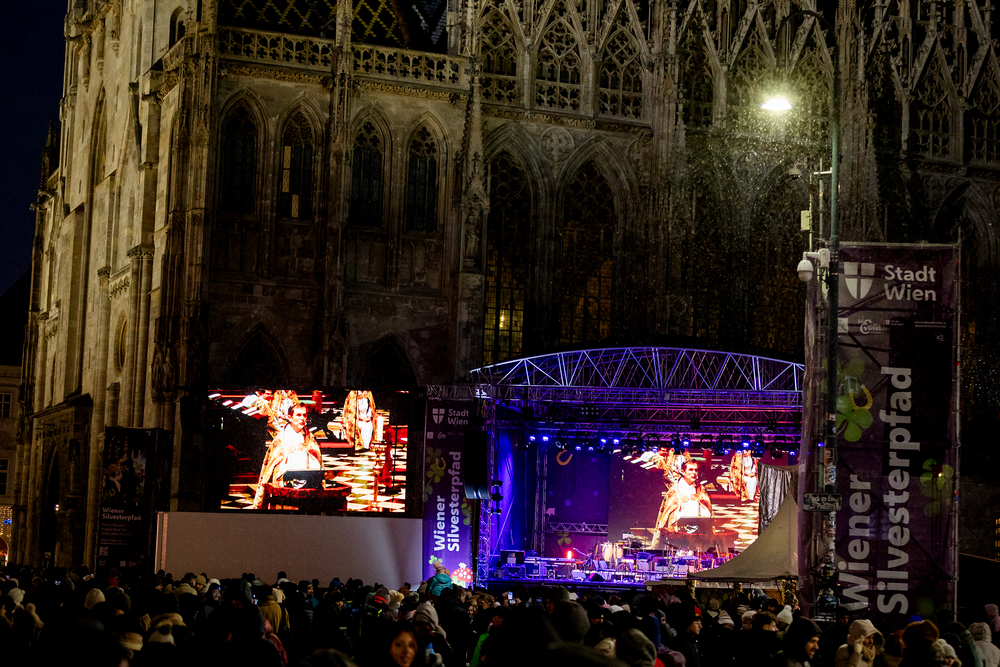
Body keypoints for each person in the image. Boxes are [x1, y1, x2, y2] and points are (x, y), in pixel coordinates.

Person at [252, 403, 324, 508]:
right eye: (298, 415)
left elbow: (317, 458)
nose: (302, 418)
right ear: (290, 417)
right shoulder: (281, 439)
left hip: (308, 481)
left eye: (304, 415)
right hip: (286, 481)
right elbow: (272, 464)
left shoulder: (309, 437)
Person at [647, 455, 713, 548]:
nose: (694, 473)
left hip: (697, 531)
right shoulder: (675, 490)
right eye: (691, 470)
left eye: (696, 470)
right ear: (683, 471)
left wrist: (705, 515)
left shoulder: (700, 489)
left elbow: (706, 506)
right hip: (679, 533)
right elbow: (667, 512)